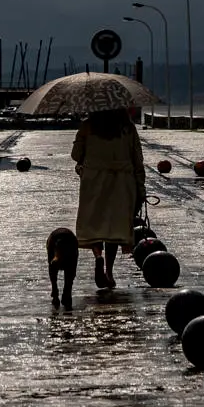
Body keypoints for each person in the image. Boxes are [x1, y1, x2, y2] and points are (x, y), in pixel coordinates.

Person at [71, 108, 146, 290]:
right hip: (122, 182)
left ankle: (98, 256)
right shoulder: (127, 128)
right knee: (113, 228)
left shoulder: (88, 126)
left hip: (94, 181)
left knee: (95, 224)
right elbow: (137, 159)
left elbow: (76, 155)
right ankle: (109, 272)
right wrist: (140, 188)